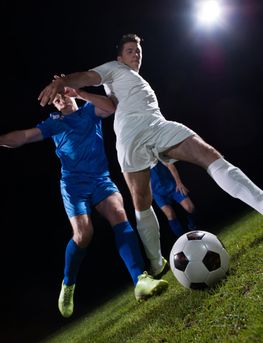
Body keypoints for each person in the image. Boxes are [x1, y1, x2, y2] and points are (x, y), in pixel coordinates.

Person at [38, 33, 263, 280]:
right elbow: (88, 76)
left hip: (158, 126)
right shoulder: (113, 68)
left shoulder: (134, 79)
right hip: (130, 138)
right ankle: (156, 262)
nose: (136, 54)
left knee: (209, 155)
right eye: (130, 50)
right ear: (119, 57)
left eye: (138, 50)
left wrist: (79, 93)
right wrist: (63, 83)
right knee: (141, 201)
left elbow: (110, 104)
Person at [0, 88, 169, 318]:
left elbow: (110, 106)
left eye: (63, 95)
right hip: (73, 186)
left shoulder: (90, 111)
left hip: (100, 180)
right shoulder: (55, 123)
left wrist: (78, 91)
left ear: (71, 94)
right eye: (57, 100)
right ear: (55, 106)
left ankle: (141, 280)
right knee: (84, 234)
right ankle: (68, 284)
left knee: (119, 213)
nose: (61, 101)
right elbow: (25, 136)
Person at [150, 160, 197, 238]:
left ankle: (193, 227)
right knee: (170, 215)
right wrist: (151, 195)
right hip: (158, 193)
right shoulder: (139, 163)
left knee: (190, 208)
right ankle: (181, 239)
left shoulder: (156, 153)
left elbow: (170, 166)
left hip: (173, 186)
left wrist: (179, 183)